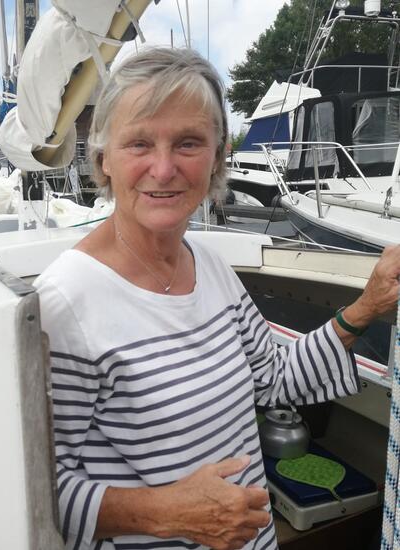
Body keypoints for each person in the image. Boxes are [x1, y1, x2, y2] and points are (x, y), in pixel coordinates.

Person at [34, 47, 400, 550]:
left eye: (188, 143)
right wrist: (165, 514)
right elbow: (40, 492)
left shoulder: (209, 265)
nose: (164, 168)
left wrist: (368, 306)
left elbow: (274, 379)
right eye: (139, 143)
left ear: (217, 158)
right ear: (104, 159)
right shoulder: (65, 304)